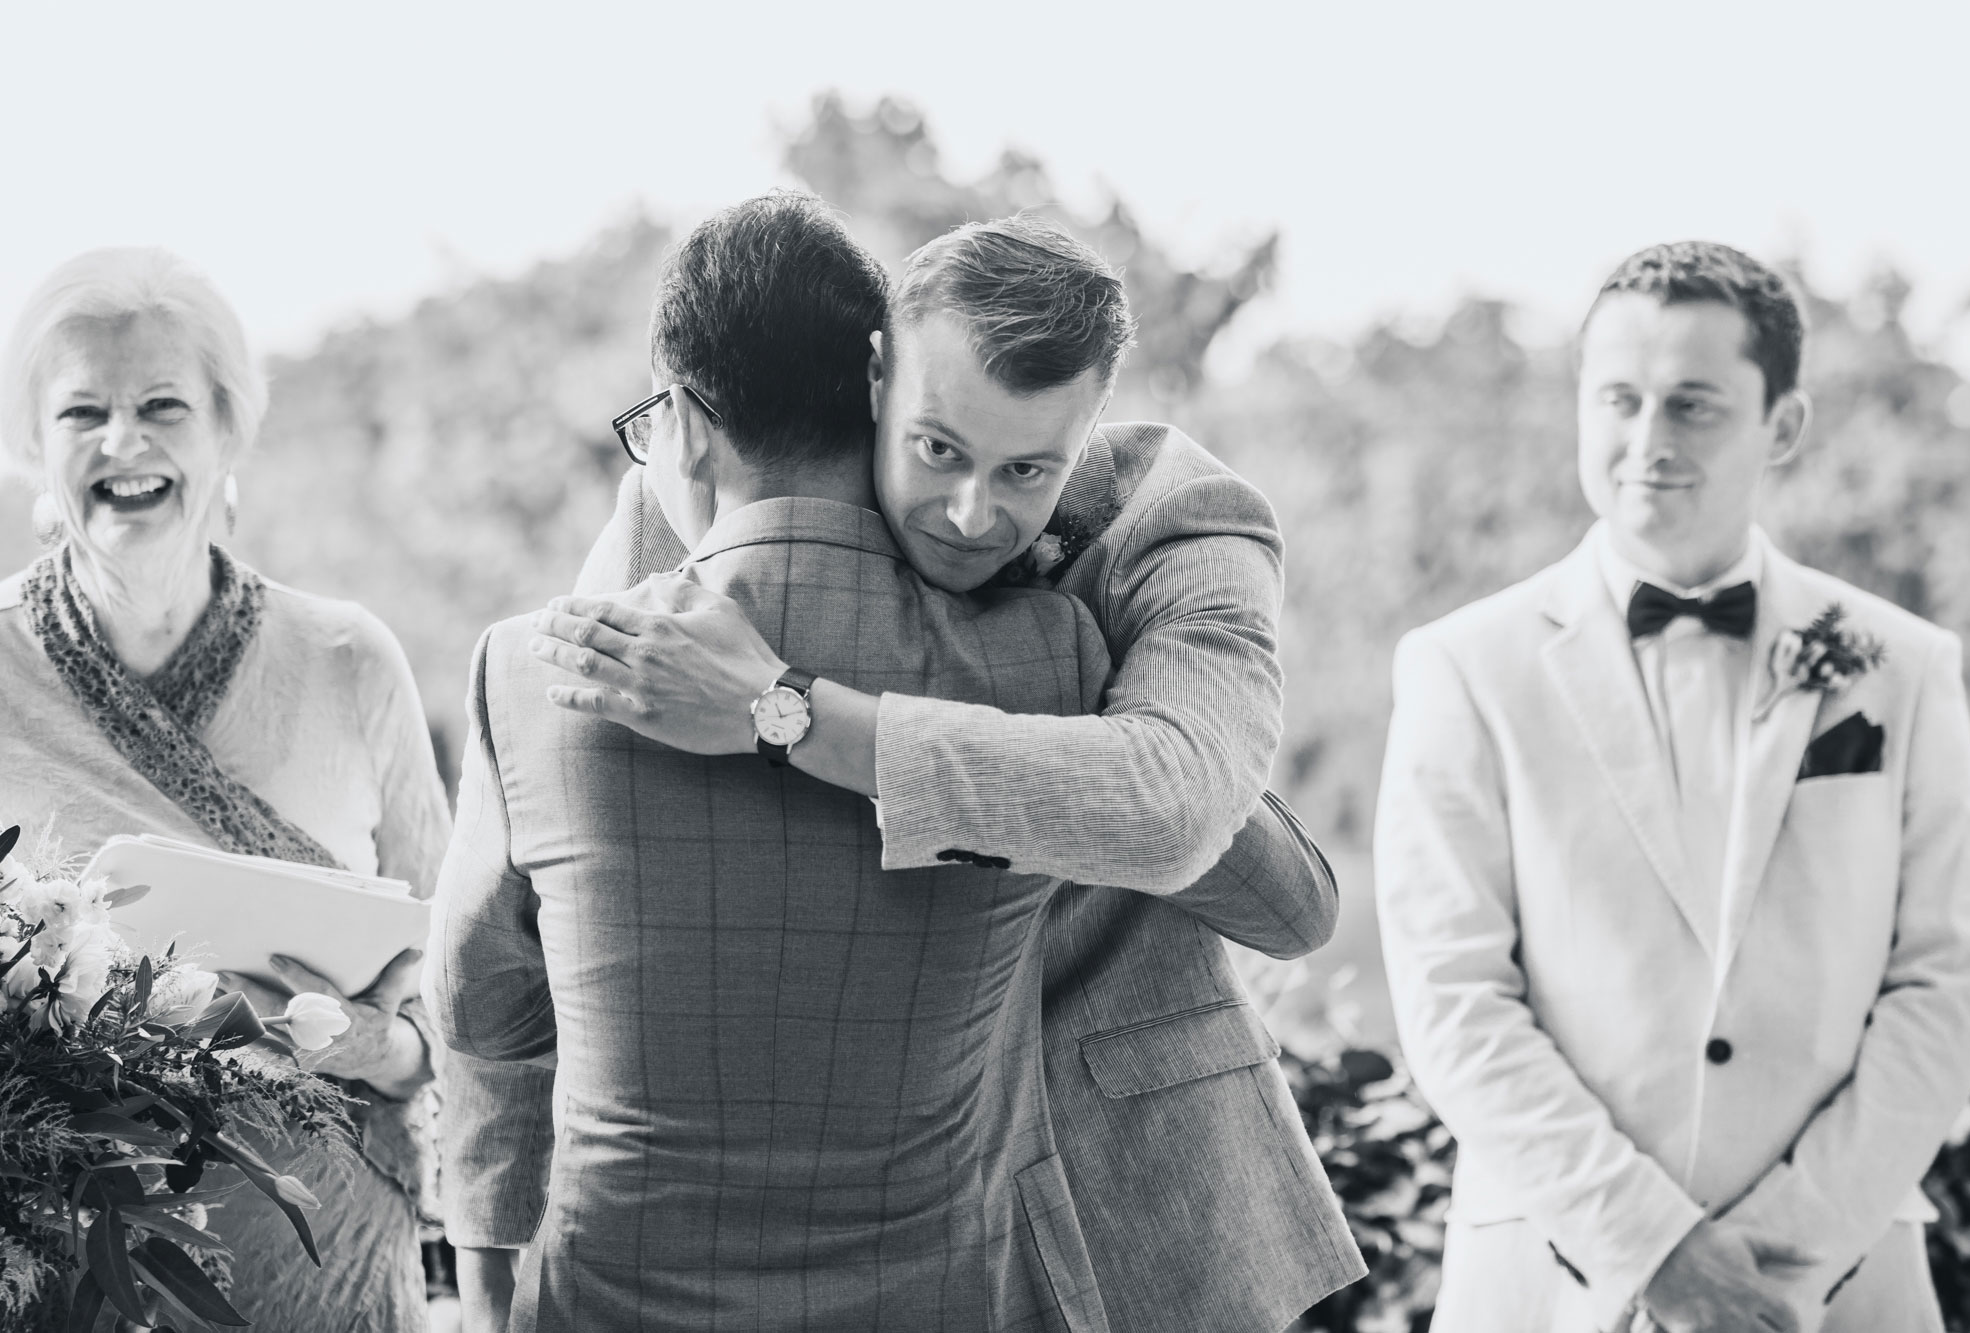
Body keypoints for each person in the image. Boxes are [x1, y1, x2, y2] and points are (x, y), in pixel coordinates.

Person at [501, 213, 1363, 1331]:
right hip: (853, 1205)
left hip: (1123, 1173)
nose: (969, 515)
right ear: (875, 378)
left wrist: (790, 709)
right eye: (938, 449)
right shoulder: (696, 501)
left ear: (1089, 429)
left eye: (1027, 471)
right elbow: (583, 810)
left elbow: (1219, 840)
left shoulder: (1180, 524)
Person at [426, 190, 1131, 1331]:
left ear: (688, 421)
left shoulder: (533, 672)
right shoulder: (1048, 658)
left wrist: (490, 1272)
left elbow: (476, 1006)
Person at [1375, 240, 1970, 1333]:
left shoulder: (1901, 666)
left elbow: (1945, 982)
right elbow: (1452, 999)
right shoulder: (1463, 665)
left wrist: (1776, 1262)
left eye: (1693, 405)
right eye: (1618, 399)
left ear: (1782, 426)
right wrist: (1654, 1252)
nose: (1646, 441)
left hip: (1841, 1290)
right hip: (1549, 1283)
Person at [0, 247, 453, 1330]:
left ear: (227, 431)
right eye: (81, 413)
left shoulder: (349, 658)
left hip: (327, 1257)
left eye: (162, 404)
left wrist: (377, 1046)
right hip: (67, 1265)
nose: (123, 441)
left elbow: (472, 987)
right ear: (34, 446)